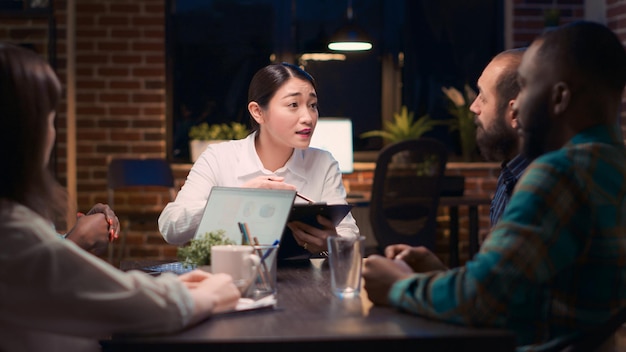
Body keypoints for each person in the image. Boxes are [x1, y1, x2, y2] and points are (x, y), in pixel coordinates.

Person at [362, 20, 626, 351]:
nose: (517, 105)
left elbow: (483, 300)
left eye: (527, 86)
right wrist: (440, 276)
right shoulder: (612, 165)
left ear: (559, 97)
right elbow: (523, 294)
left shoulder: (560, 173)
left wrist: (398, 285)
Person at [0, 43, 241, 352]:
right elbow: (116, 304)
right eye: (49, 119)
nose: (52, 132)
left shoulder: (17, 221)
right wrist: (206, 293)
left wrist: (70, 238)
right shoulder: (11, 232)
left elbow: (61, 281)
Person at [158, 62, 359, 255]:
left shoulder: (323, 162)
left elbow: (349, 233)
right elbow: (170, 226)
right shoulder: (218, 158)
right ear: (258, 112)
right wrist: (236, 199)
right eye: (293, 104)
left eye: (312, 105)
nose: (308, 117)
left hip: (303, 280)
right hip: (228, 279)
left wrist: (332, 243)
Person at [470, 47, 531, 227]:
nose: (474, 106)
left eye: (483, 97)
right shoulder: (510, 173)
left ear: (514, 113)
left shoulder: (536, 191)